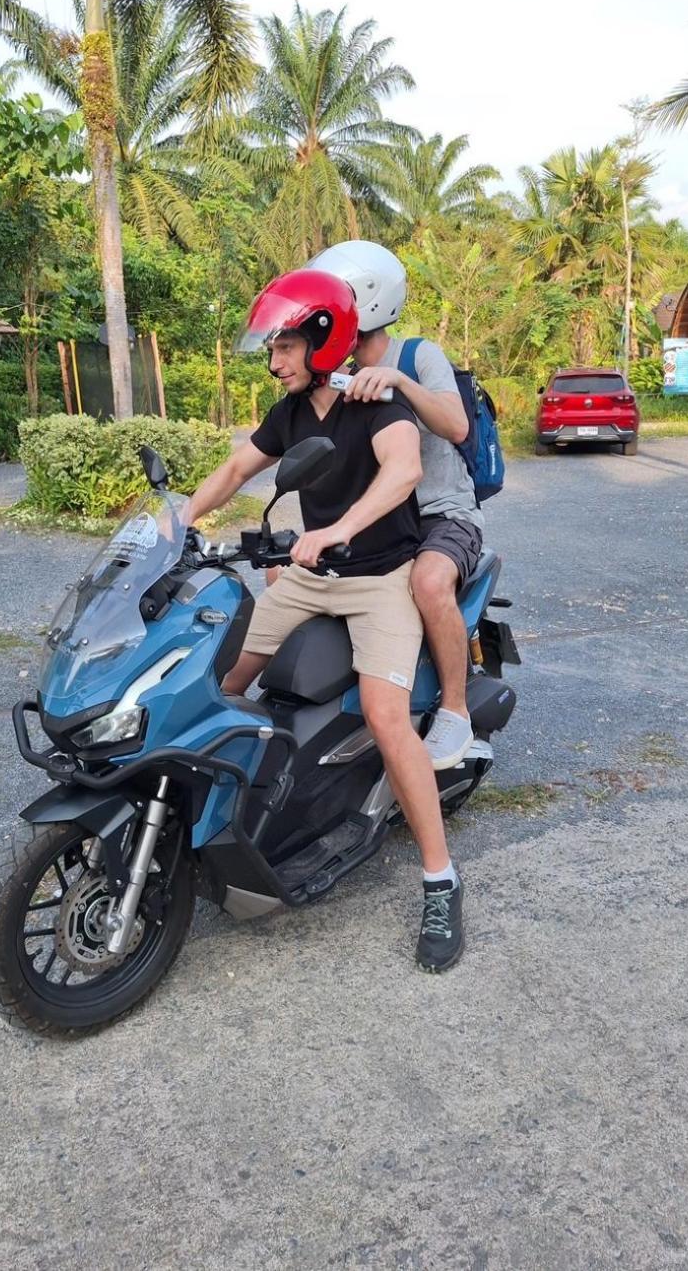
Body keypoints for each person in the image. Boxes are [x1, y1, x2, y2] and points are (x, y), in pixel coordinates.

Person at [186, 266, 465, 972]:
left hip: (379, 579)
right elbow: (236, 468)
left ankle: (440, 879)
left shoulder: (374, 398)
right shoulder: (288, 411)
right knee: (225, 677)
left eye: (283, 346)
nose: (274, 360)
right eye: (272, 347)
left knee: (385, 715)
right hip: (313, 578)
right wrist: (175, 520)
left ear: (323, 337)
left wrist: (338, 528)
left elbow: (402, 474)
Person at [308, 240, 484, 772]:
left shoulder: (417, 355)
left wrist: (399, 380)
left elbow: (457, 426)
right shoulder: (329, 368)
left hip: (442, 515)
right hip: (380, 516)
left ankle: (455, 712)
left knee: (428, 582)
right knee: (289, 576)